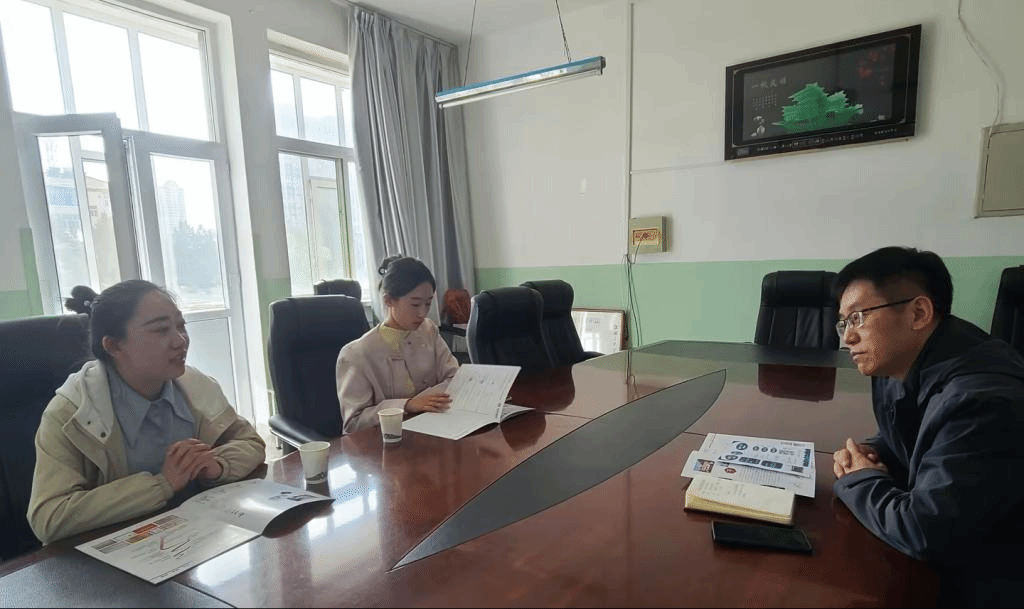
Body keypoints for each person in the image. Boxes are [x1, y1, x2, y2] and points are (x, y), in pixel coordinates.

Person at [830, 246, 1024, 607]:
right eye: (843, 323)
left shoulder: (982, 400)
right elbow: (914, 432)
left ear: (918, 312)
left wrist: (859, 478)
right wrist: (876, 452)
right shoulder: (901, 362)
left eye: (858, 318)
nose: (847, 338)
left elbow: (925, 531)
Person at [28, 281, 265, 544]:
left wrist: (216, 466)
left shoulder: (196, 386)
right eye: (161, 330)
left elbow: (251, 443)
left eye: (181, 325)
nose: (181, 341)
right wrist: (161, 485)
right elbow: (48, 517)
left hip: (195, 539)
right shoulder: (71, 413)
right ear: (114, 346)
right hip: (122, 552)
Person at [336, 255, 459, 434]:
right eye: (415, 304)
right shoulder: (356, 354)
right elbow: (353, 423)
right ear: (388, 300)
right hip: (386, 441)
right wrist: (406, 405)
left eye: (428, 303)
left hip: (435, 430)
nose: (423, 313)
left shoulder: (428, 330)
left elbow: (454, 377)